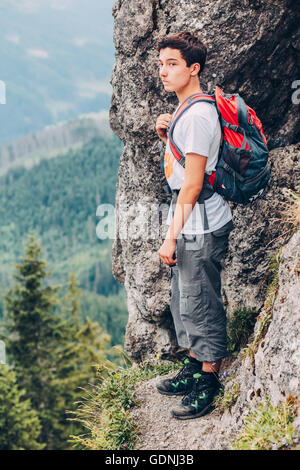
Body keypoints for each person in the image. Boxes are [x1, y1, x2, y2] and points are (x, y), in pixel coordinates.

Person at [155, 31, 234, 420]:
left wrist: (171, 237)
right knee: (184, 298)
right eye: (161, 64)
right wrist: (166, 135)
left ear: (194, 68)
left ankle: (208, 378)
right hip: (189, 220)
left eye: (173, 64)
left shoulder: (199, 116)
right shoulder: (186, 111)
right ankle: (192, 361)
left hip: (200, 224)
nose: (164, 72)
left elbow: (194, 183)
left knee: (202, 301)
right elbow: (183, 165)